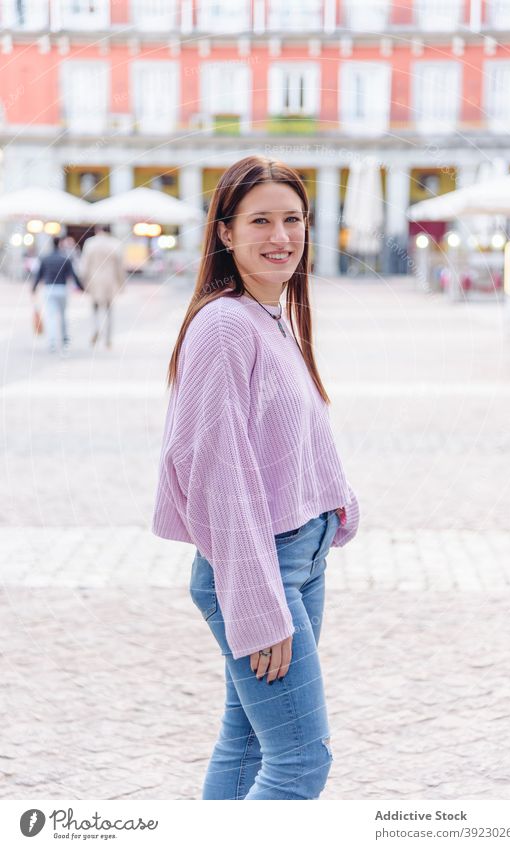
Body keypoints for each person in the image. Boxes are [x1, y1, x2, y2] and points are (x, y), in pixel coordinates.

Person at [151, 155, 361, 800]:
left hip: (299, 555)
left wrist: (335, 507)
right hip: (260, 565)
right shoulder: (222, 326)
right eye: (261, 220)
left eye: (293, 219)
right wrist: (257, 600)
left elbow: (285, 442)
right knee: (301, 762)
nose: (282, 237)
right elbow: (219, 472)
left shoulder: (268, 316)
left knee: (246, 745)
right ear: (224, 232)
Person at [31, 234, 85, 354]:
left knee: (50, 316)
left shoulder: (45, 258)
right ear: (60, 244)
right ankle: (65, 340)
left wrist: (33, 289)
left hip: (49, 288)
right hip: (62, 289)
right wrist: (82, 288)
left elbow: (38, 275)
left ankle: (52, 342)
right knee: (63, 315)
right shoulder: (65, 258)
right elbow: (73, 276)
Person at [79, 224, 125, 350]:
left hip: (94, 280)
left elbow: (84, 265)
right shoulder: (115, 244)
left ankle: (96, 328)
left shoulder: (90, 244)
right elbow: (120, 267)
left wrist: (82, 282)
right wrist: (121, 284)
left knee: (94, 307)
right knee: (109, 311)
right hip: (110, 281)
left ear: (97, 230)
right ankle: (108, 339)